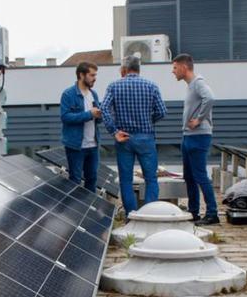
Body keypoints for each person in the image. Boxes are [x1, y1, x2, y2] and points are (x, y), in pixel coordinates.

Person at [101, 55, 167, 216]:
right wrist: (147, 121)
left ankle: (131, 216)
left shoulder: (114, 86)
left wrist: (114, 131)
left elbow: (104, 109)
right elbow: (162, 112)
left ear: (124, 69)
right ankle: (150, 215)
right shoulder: (151, 86)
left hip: (124, 138)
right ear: (138, 69)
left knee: (126, 180)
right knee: (151, 178)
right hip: (146, 138)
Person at [172, 53, 218, 225]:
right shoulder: (190, 85)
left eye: (175, 67)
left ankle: (212, 213)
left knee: (200, 176)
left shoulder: (198, 82)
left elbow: (211, 98)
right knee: (189, 176)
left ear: (184, 67)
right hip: (188, 136)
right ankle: (193, 212)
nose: (173, 71)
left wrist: (199, 119)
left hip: (198, 136)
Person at [60, 61, 101, 191]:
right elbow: (65, 117)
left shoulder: (94, 94)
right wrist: (89, 114)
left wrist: (100, 116)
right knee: (75, 181)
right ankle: (73, 211)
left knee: (92, 179)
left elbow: (96, 120)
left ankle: (90, 211)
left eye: (95, 75)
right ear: (81, 75)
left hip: (93, 145)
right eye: (92, 75)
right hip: (76, 146)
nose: (95, 78)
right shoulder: (68, 94)